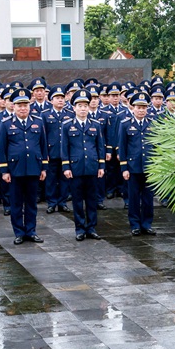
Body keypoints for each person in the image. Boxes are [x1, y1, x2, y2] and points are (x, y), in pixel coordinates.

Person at [0, 88, 48, 245]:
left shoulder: (38, 122)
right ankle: (19, 232)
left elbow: (43, 145)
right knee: (16, 203)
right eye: (19, 105)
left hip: (33, 168)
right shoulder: (6, 124)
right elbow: (2, 148)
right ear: (14, 106)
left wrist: (44, 167)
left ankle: (31, 231)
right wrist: (4, 170)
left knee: (32, 202)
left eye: (25, 105)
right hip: (15, 170)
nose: (22, 108)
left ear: (29, 106)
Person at [60, 90, 105, 241]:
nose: (83, 108)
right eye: (79, 105)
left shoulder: (95, 125)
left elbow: (100, 147)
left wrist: (101, 166)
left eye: (85, 105)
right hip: (76, 168)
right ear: (74, 108)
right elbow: (64, 148)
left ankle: (91, 227)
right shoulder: (67, 125)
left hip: (92, 167)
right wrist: (66, 167)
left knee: (92, 200)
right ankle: (80, 228)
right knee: (77, 200)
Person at [119, 92, 155, 236]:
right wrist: (124, 168)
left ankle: (147, 224)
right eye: (138, 107)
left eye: (144, 107)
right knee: (133, 199)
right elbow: (122, 147)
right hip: (133, 168)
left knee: (148, 199)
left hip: (149, 167)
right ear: (132, 107)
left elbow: (156, 146)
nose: (141, 110)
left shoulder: (152, 123)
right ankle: (135, 225)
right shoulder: (125, 124)